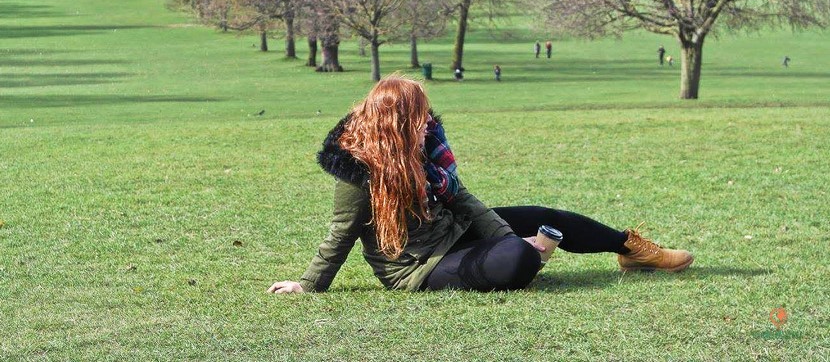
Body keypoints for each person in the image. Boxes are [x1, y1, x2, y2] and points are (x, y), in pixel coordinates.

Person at [267, 76, 693, 294]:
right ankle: (527, 254)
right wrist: (309, 283)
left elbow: (461, 198)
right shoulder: (358, 168)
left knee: (542, 217)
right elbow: (341, 233)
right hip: (418, 266)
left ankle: (633, 251)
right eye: (419, 116)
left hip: (451, 232)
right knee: (517, 259)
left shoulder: (420, 148)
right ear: (397, 122)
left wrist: (503, 233)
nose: (428, 122)